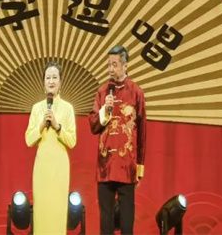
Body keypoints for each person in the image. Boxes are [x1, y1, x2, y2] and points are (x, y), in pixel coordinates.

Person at [88, 45, 147, 235]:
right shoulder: (102, 92)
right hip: (105, 166)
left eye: (114, 65)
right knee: (105, 224)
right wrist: (105, 110)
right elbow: (93, 126)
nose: (110, 69)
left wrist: (140, 166)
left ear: (125, 66)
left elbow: (142, 132)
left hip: (126, 166)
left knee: (127, 224)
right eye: (109, 65)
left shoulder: (136, 93)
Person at [25, 62, 77, 234]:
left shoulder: (68, 108)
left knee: (57, 212)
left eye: (55, 77)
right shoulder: (37, 108)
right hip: (42, 168)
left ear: (61, 82)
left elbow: (72, 141)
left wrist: (57, 126)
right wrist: (41, 125)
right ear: (43, 82)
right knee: (41, 213)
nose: (51, 81)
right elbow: (28, 140)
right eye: (48, 78)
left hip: (60, 167)